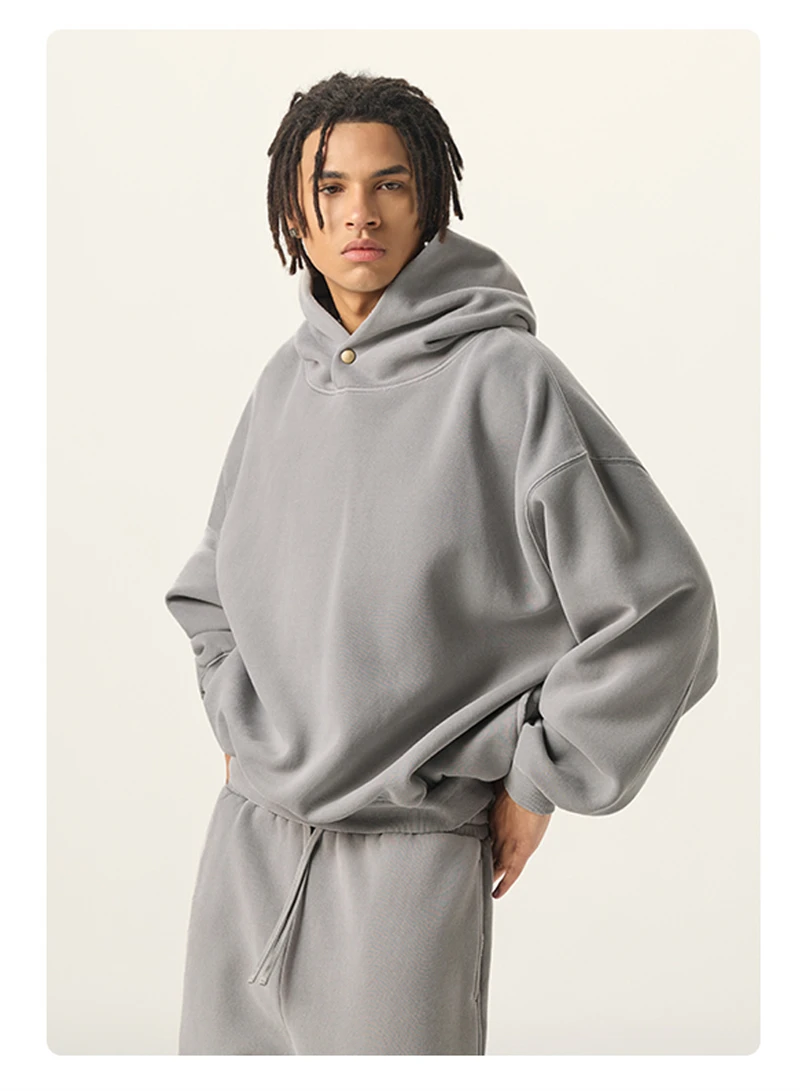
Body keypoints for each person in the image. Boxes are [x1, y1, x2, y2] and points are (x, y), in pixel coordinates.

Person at [164, 70, 719, 1056]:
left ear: (428, 201)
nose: (359, 213)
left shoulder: (507, 381)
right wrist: (235, 718)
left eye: (390, 184)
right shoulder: (283, 383)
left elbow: (663, 607)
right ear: (294, 208)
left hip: (406, 861)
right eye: (331, 186)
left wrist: (538, 777)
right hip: (244, 852)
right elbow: (213, 588)